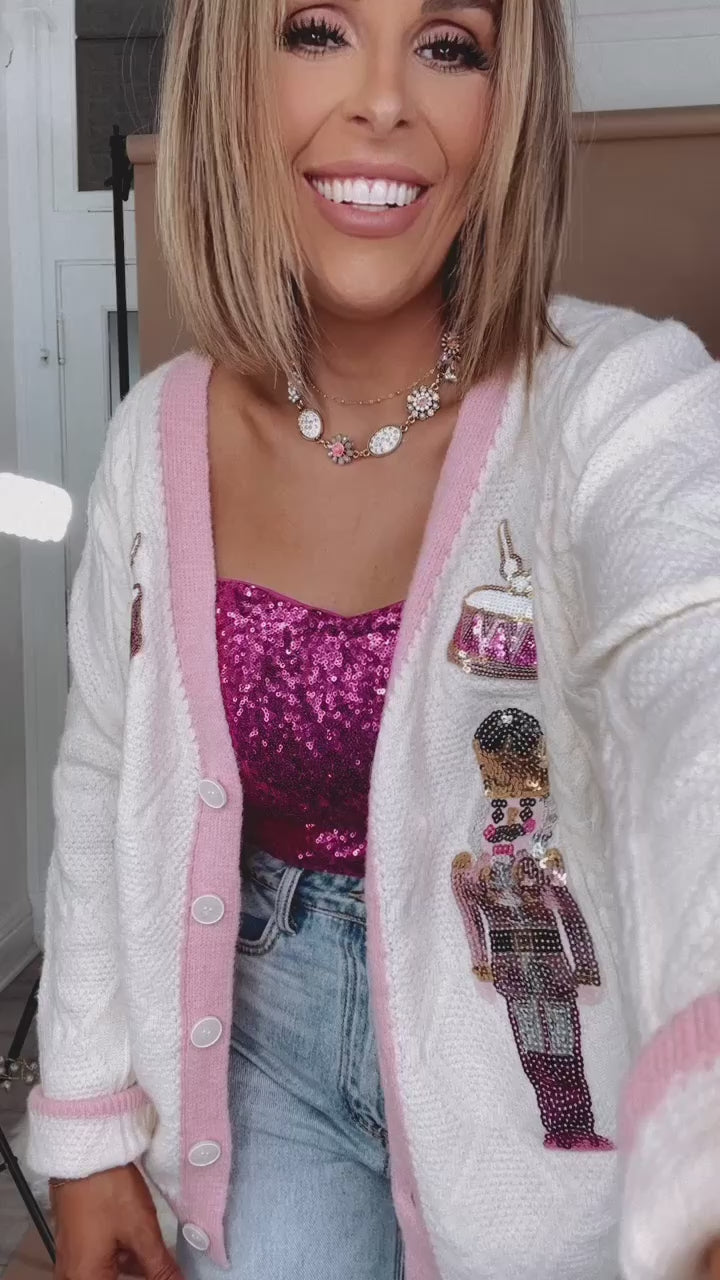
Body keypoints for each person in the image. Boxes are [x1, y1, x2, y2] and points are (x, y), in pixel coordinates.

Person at [22, 0, 720, 1277]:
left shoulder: (627, 402)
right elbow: (102, 773)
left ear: (507, 103)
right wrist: (86, 1122)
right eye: (318, 31)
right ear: (234, 78)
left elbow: (698, 683)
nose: (384, 98)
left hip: (536, 1052)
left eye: (448, 45)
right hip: (255, 1040)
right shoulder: (151, 439)